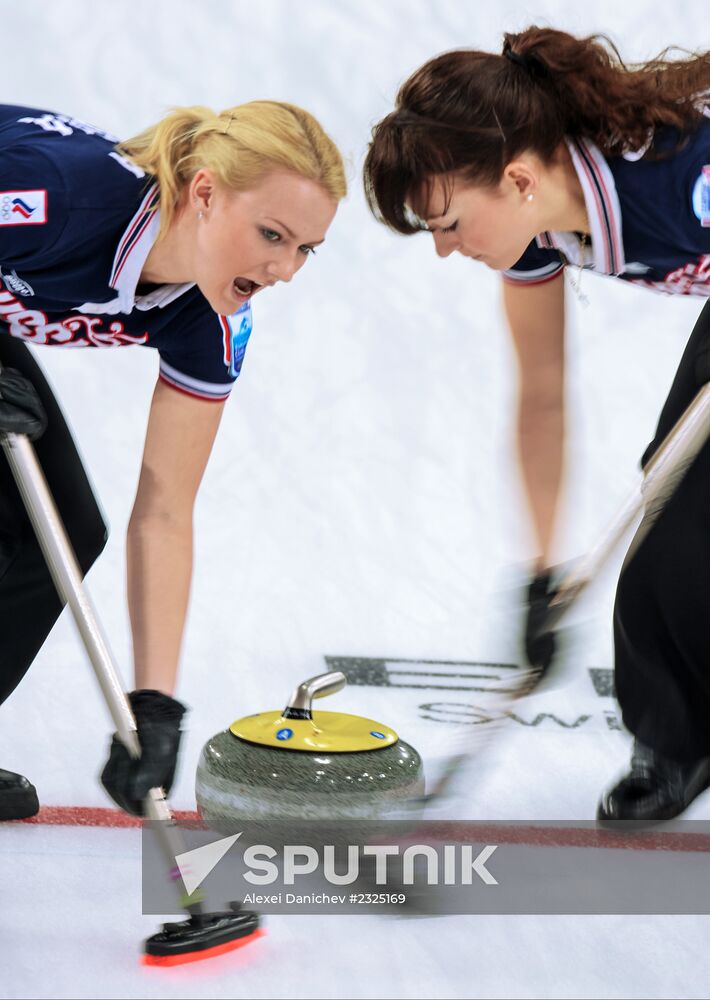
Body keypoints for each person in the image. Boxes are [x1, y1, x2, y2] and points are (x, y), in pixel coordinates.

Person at [363, 27, 710, 821]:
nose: (446, 250)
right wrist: (542, 574)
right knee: (670, 503)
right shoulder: (536, 228)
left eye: (449, 223)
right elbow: (543, 392)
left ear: (516, 180)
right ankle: (679, 741)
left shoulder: (678, 183)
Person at [0, 101, 346, 820]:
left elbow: (163, 511)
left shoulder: (213, 320)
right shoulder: (61, 198)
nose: (284, 269)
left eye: (306, 248)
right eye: (272, 235)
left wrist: (153, 704)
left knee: (59, 529)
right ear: (207, 193)